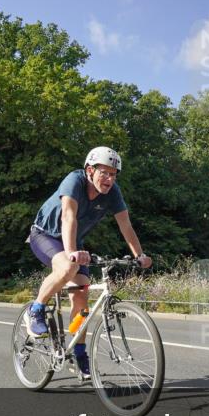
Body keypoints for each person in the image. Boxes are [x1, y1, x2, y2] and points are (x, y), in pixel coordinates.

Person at [26, 147, 152, 378]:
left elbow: (126, 225)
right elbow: (68, 217)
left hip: (73, 242)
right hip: (45, 235)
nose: (110, 179)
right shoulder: (74, 181)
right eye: (104, 173)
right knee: (67, 266)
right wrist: (72, 251)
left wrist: (139, 256)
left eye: (114, 174)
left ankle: (78, 352)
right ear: (89, 170)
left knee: (82, 297)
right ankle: (36, 310)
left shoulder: (113, 192)